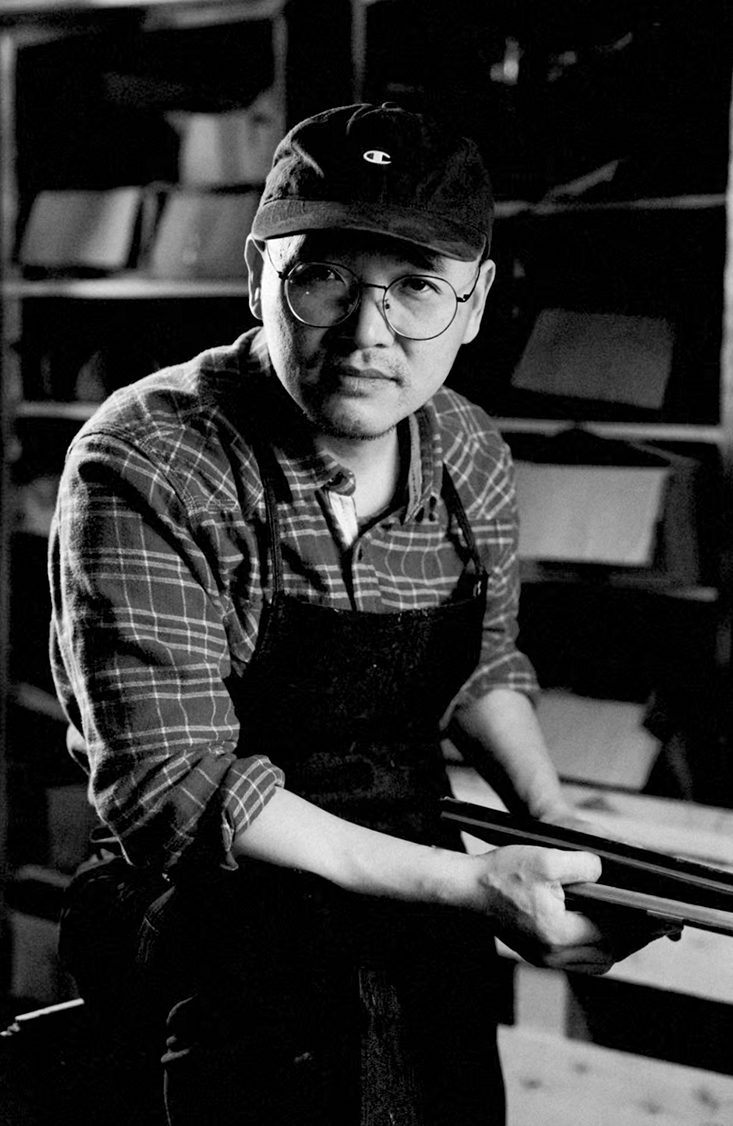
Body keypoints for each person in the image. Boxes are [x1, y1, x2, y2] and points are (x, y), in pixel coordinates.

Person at [49, 103, 675, 1126]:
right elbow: (171, 783)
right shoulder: (152, 459)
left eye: (416, 285)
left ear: (474, 303)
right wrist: (472, 886)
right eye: (324, 276)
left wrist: (550, 820)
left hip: (419, 921)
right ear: (257, 276)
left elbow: (482, 666)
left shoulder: (467, 451)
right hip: (209, 930)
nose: (367, 333)